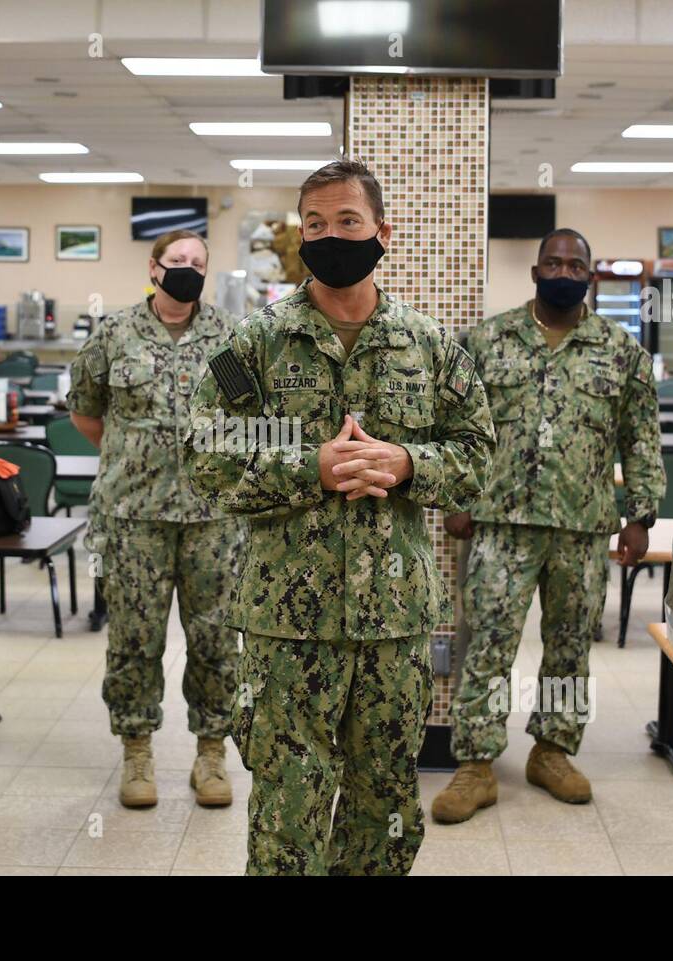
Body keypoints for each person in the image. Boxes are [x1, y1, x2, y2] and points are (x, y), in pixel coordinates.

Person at [183, 159, 495, 875]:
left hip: (395, 624)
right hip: (285, 625)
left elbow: (479, 457)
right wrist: (309, 467)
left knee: (383, 809)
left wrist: (409, 464)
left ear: (384, 232)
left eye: (347, 222)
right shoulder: (252, 346)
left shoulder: (433, 346)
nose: (330, 237)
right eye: (315, 224)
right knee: (287, 815)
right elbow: (206, 453)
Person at [431, 228, 665, 825]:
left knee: (569, 648)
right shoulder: (485, 343)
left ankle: (553, 751)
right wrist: (454, 497)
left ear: (589, 274)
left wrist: (640, 516)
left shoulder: (622, 352)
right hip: (498, 524)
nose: (564, 270)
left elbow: (641, 438)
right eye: (553, 262)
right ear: (535, 272)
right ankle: (476, 764)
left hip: (582, 527)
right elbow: (453, 424)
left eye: (575, 263)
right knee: (485, 644)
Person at [67, 229, 246, 809]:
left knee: (216, 639)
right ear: (154, 266)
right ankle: (137, 752)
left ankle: (211, 752)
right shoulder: (114, 333)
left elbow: (248, 415)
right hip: (131, 517)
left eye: (198, 262)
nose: (187, 269)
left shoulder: (229, 337)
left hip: (212, 517)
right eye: (177, 260)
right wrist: (131, 458)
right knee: (134, 639)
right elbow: (87, 414)